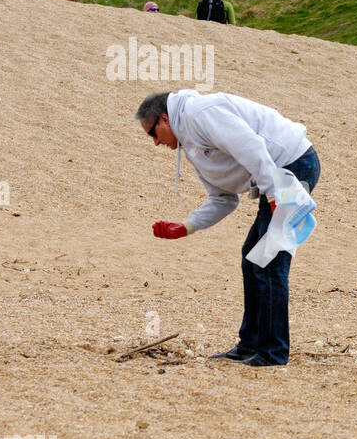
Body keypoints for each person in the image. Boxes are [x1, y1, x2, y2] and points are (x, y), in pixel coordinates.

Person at [135, 90, 320, 367]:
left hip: (294, 165)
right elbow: (223, 199)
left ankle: (272, 353)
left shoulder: (201, 113)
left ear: (164, 119)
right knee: (251, 258)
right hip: (275, 175)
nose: (155, 143)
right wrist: (187, 226)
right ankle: (250, 345)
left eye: (152, 133)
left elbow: (253, 147)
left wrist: (274, 196)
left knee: (269, 262)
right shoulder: (191, 144)